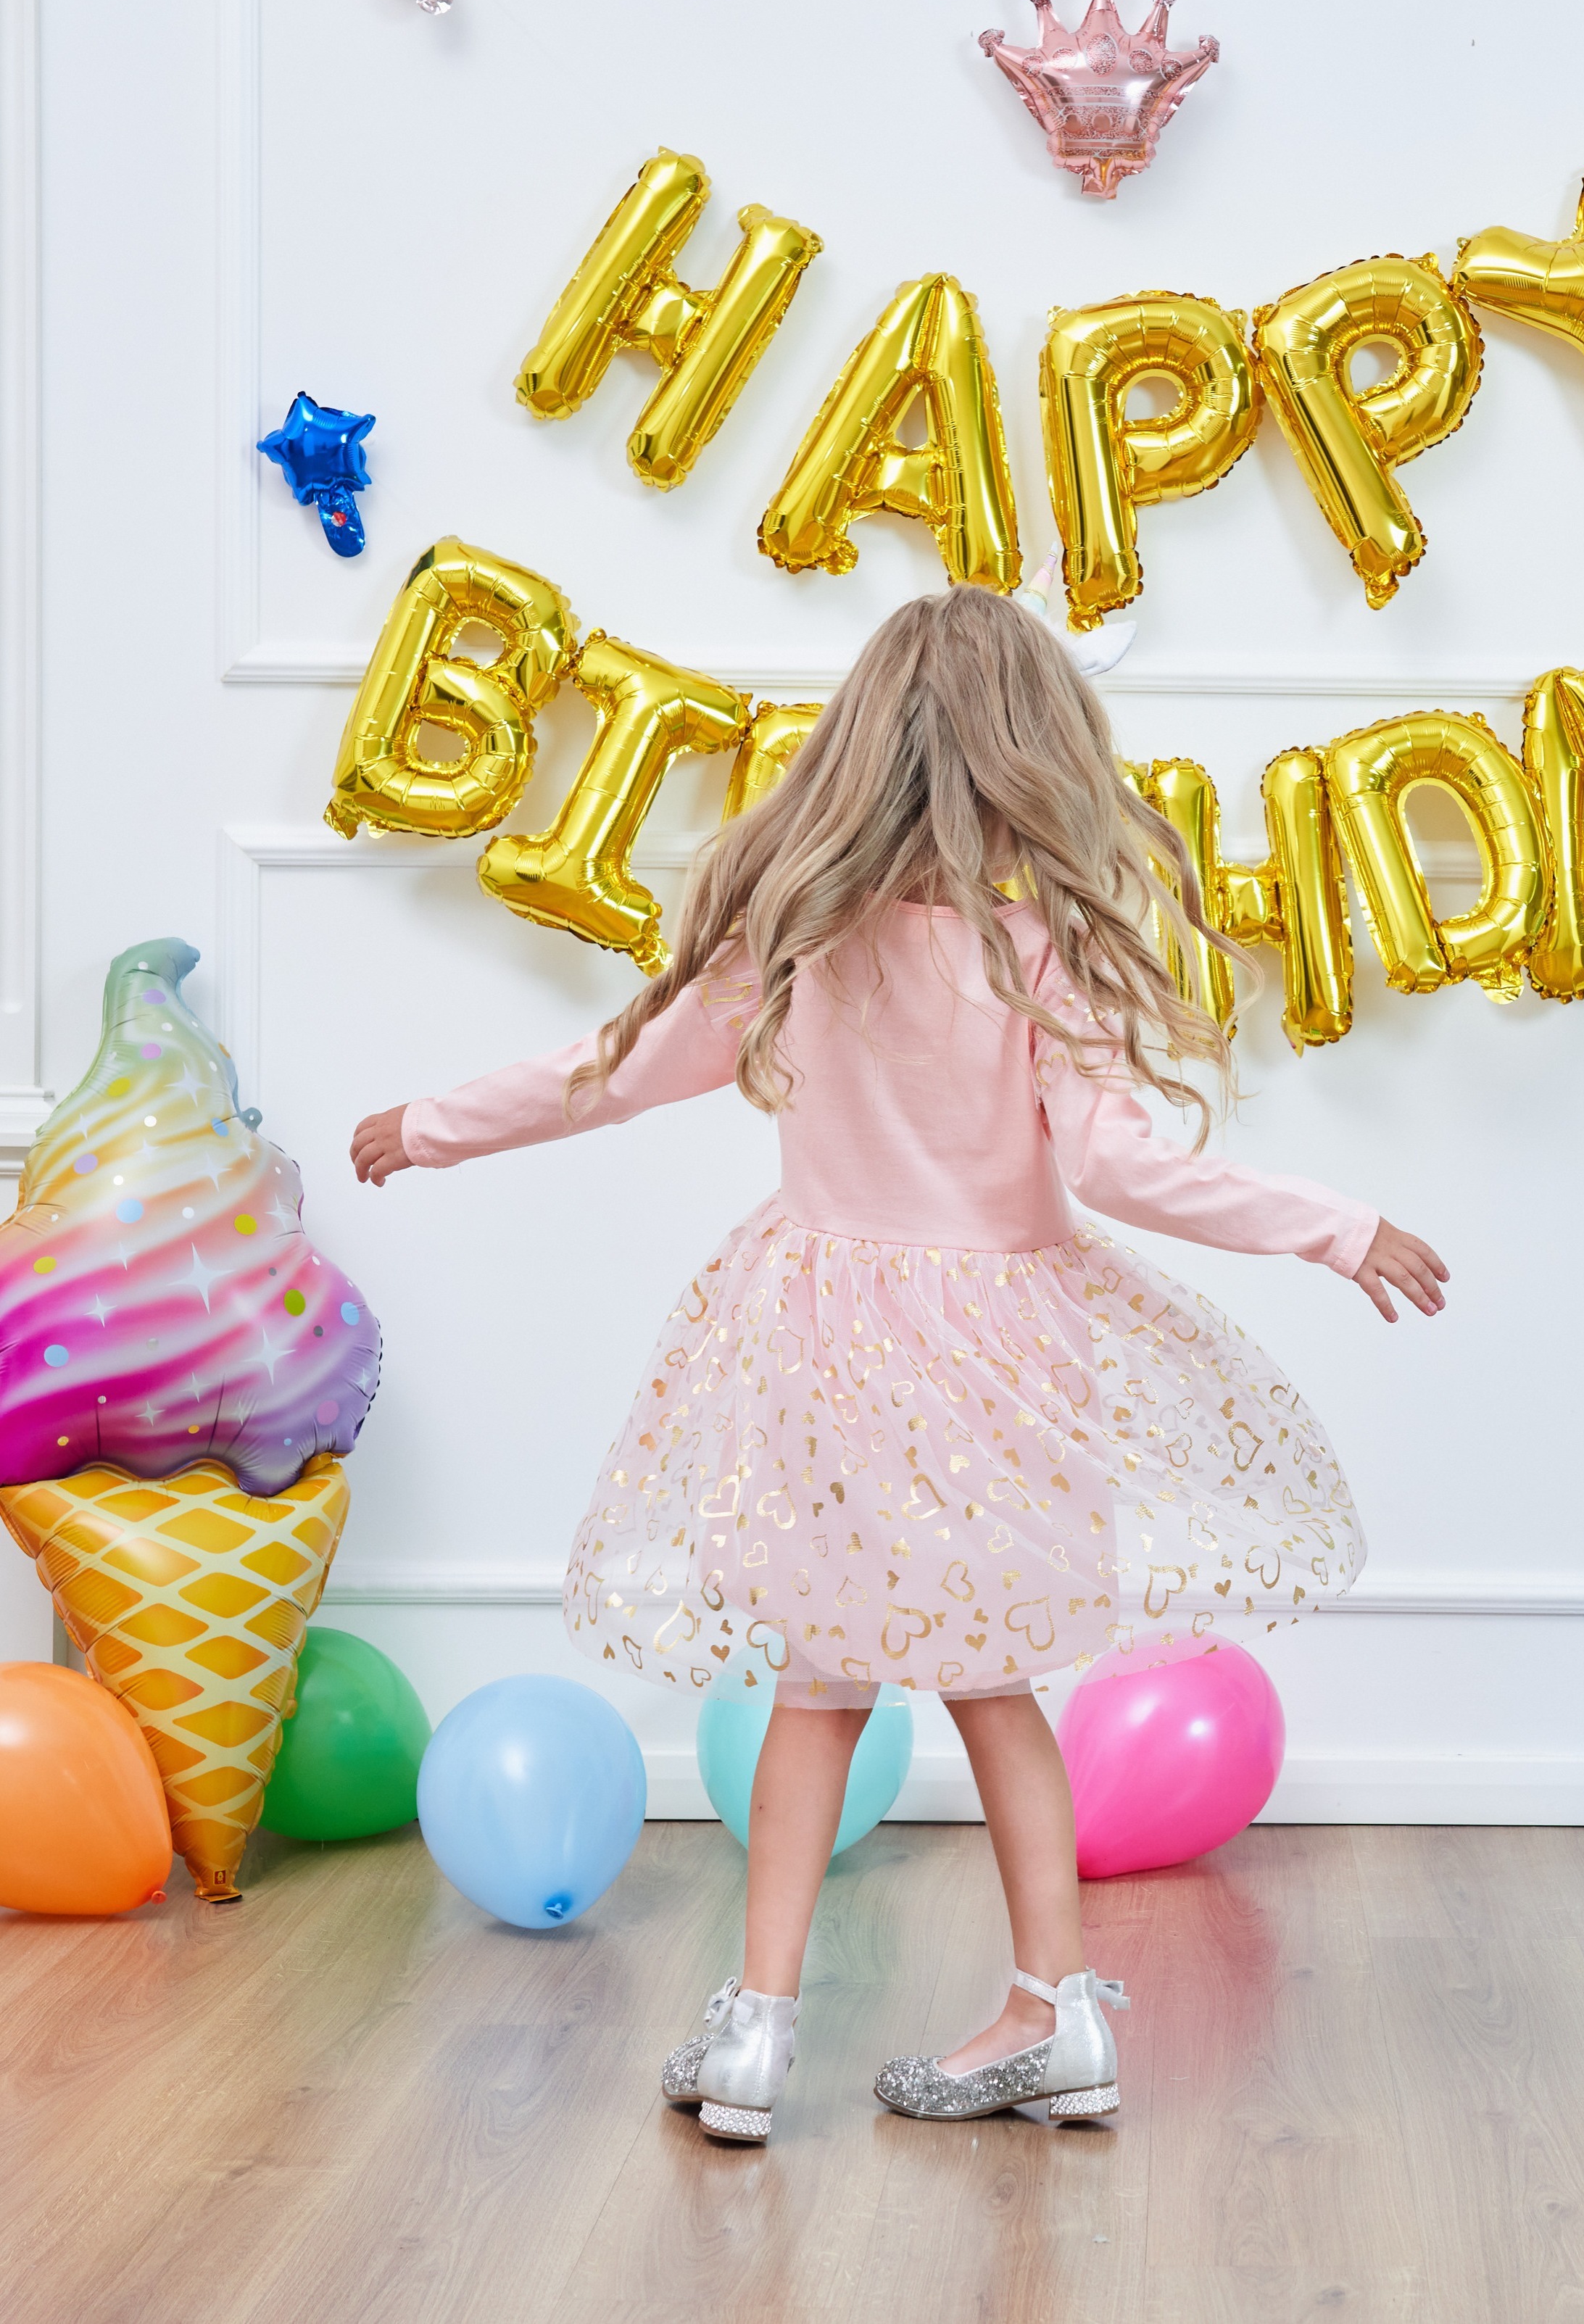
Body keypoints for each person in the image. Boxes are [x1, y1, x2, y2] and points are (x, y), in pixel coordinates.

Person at [351, 585, 1448, 2144]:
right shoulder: (1033, 946)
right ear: (1030, 756)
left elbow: (613, 1075)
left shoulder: (797, 936)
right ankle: (1054, 2007)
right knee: (993, 1681)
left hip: (822, 1335)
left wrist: (432, 1125)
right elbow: (1125, 1171)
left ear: (860, 751)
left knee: (819, 1687)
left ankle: (756, 2026)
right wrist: (1334, 1225)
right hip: (1005, 1345)